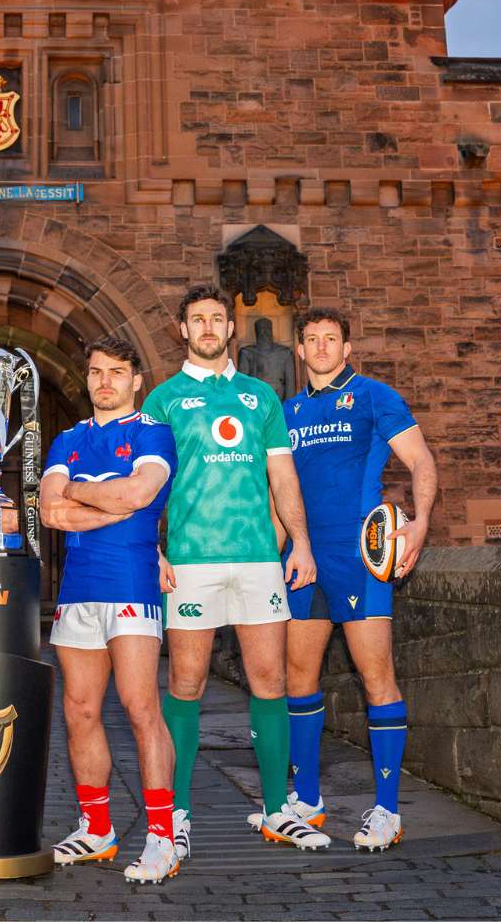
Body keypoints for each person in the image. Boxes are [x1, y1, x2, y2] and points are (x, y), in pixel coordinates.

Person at [140, 286, 329, 857]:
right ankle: (177, 813)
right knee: (185, 685)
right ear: (182, 329)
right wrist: (154, 550)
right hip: (192, 561)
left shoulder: (260, 398)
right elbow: (150, 484)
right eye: (197, 319)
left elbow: (284, 477)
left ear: (230, 329)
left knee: (270, 682)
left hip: (256, 558)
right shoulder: (162, 401)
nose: (206, 327)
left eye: (216, 319)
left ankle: (276, 809)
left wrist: (300, 542)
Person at [275, 306, 437, 852]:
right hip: (302, 559)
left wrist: (420, 524)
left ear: (347, 349)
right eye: (312, 339)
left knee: (376, 677)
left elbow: (420, 461)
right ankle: (308, 801)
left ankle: (388, 810)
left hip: (360, 557)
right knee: (298, 677)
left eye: (331, 339)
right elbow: (279, 496)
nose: (321, 346)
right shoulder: (287, 411)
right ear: (299, 350)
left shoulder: (373, 396)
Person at [41, 336, 180, 884]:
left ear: (135, 380)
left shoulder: (152, 433)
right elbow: (51, 512)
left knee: (140, 707)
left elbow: (140, 495)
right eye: (97, 372)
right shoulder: (69, 438)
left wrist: (81, 493)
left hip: (132, 584)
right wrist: (108, 502)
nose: (105, 382)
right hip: (78, 588)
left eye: (116, 372)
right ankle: (97, 829)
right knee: (78, 710)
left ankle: (163, 838)